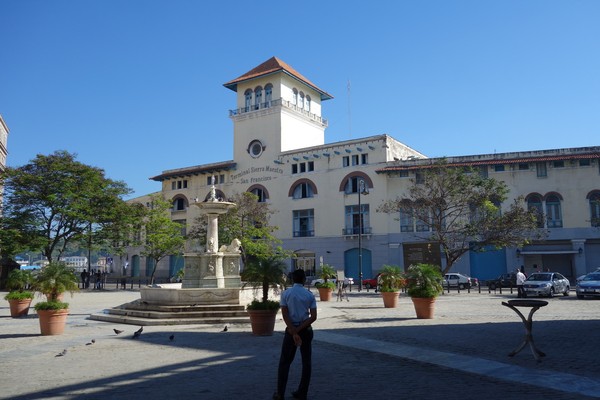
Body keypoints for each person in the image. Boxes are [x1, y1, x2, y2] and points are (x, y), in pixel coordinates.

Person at [274, 269, 317, 400]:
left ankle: (280, 393)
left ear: (292, 279)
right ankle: (302, 392)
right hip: (305, 330)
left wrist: (293, 330)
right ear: (304, 279)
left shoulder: (286, 293)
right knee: (306, 362)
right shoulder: (309, 295)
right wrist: (299, 330)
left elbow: (285, 314)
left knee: (285, 362)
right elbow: (313, 316)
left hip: (291, 330)